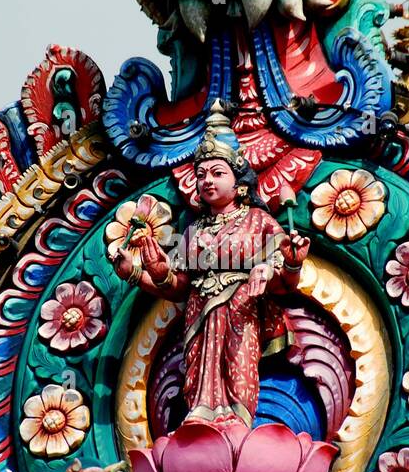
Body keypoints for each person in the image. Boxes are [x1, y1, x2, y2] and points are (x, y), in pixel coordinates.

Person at [113, 104, 309, 427]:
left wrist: (286, 264)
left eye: (218, 173)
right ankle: (200, 424)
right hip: (198, 317)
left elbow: (283, 282)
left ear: (239, 183)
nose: (207, 181)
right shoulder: (193, 230)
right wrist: (140, 271)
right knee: (198, 384)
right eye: (201, 174)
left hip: (241, 312)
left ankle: (237, 426)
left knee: (238, 369)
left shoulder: (257, 220)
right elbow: (177, 287)